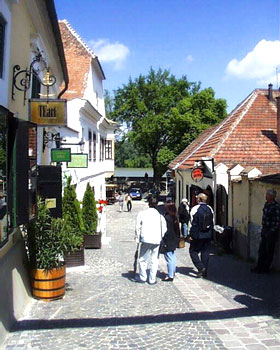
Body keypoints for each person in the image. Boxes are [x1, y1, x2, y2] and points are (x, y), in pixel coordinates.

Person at [135, 197, 167, 284]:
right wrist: (160, 237)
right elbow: (164, 229)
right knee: (154, 260)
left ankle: (143, 276)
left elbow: (137, 227)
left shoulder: (142, 214)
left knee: (142, 259)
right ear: (157, 204)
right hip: (156, 240)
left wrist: (138, 239)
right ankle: (152, 278)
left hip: (145, 239)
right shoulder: (160, 216)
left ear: (148, 204)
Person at [251, 189, 280, 274]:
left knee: (269, 250)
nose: (266, 196)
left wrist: (271, 231)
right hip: (265, 229)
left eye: (267, 195)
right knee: (262, 250)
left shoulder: (276, 206)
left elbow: (277, 222)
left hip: (271, 231)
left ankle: (265, 268)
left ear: (272, 196)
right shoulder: (267, 204)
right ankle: (259, 266)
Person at [188, 193, 214, 278]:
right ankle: (205, 272)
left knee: (193, 251)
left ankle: (201, 267)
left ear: (199, 199)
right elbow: (212, 221)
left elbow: (191, 223)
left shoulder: (195, 209)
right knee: (205, 252)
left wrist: (190, 234)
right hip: (208, 234)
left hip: (198, 234)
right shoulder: (210, 209)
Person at [161, 202, 180, 282]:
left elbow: (167, 230)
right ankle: (173, 271)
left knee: (168, 257)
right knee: (172, 256)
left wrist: (163, 239)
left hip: (168, 240)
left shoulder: (167, 218)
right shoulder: (174, 217)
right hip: (174, 239)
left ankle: (170, 275)